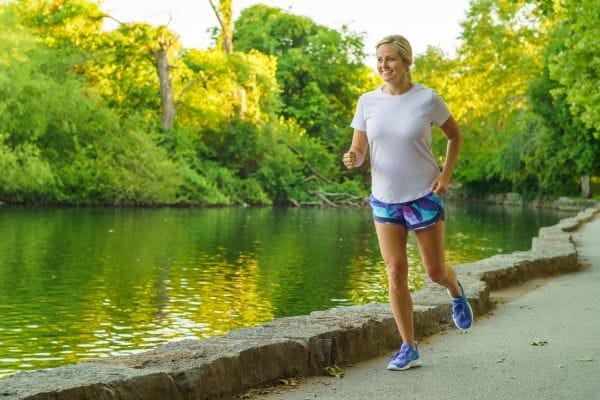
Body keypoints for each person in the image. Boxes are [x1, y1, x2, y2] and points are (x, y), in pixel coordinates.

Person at [343, 34, 472, 371]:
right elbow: (359, 150)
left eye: (390, 59)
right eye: (379, 59)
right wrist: (353, 157)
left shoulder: (427, 99)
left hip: (422, 196)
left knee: (433, 272)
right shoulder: (367, 102)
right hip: (384, 200)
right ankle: (408, 346)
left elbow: (455, 136)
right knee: (395, 273)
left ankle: (455, 289)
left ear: (406, 62)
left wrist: (444, 176)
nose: (383, 65)